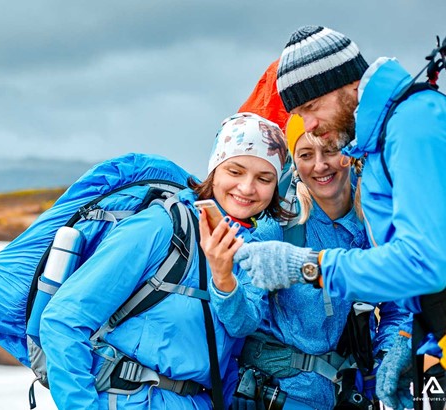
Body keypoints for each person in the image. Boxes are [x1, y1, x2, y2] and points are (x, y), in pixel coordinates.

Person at [235, 25, 446, 409]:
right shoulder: (383, 139)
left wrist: (311, 267)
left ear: (345, 84)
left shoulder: (411, 125)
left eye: (311, 108)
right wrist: (403, 342)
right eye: (299, 116)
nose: (310, 125)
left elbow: (425, 263)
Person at [39, 112, 289, 410]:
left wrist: (224, 279)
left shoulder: (249, 247)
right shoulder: (161, 226)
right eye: (235, 171)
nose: (247, 188)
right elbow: (63, 321)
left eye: (264, 178)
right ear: (214, 170)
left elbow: (242, 324)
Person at [210, 113, 409, 409]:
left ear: (350, 154)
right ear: (295, 163)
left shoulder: (376, 221)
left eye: (330, 150)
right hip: (277, 396)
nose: (319, 164)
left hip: (346, 395)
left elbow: (401, 304)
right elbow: (243, 320)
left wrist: (391, 353)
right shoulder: (278, 226)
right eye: (306, 154)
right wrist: (225, 282)